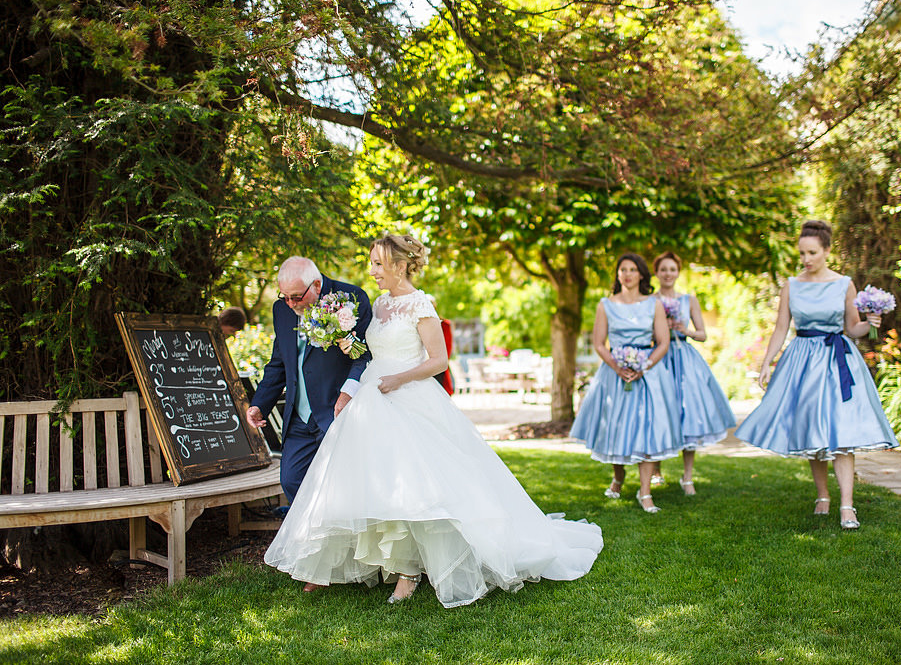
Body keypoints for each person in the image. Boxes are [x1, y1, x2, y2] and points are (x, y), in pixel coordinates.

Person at [264, 235, 603, 607]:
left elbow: (438, 360)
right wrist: (351, 348)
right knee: (378, 481)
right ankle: (388, 561)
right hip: (373, 397)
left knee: (416, 483)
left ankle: (409, 571)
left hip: (407, 395)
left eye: (378, 264)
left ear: (398, 265)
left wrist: (398, 378)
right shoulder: (378, 304)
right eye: (372, 263)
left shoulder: (420, 304)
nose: (372, 271)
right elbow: (371, 351)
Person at [734, 220, 898, 529]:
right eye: (802, 254)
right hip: (803, 362)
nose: (806, 259)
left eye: (812, 253)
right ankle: (823, 495)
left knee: (843, 434)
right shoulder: (792, 285)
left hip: (838, 362)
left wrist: (872, 323)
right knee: (813, 429)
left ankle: (847, 506)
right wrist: (767, 362)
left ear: (826, 250)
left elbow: (853, 328)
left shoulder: (843, 284)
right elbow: (781, 327)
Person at [246, 257, 372, 507]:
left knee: (340, 486)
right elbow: (279, 362)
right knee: (292, 479)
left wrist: (349, 392)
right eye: (285, 297)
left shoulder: (351, 298)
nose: (290, 304)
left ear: (316, 284)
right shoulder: (281, 310)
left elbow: (365, 354)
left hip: (336, 409)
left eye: (296, 297)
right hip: (298, 417)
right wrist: (260, 403)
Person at [569, 253, 681, 513]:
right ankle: (618, 478)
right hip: (614, 375)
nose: (628, 274)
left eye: (633, 269)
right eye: (623, 270)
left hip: (647, 374)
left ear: (641, 274)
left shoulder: (653, 304)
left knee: (646, 429)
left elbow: (663, 342)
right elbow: (599, 343)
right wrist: (618, 367)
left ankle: (645, 492)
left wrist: (644, 365)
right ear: (618, 275)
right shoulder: (605, 305)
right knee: (615, 427)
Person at [649, 251, 736, 495]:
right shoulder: (649, 300)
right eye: (663, 269)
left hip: (685, 360)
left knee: (688, 414)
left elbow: (703, 334)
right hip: (659, 358)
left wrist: (683, 329)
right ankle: (656, 470)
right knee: (659, 412)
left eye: (672, 269)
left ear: (678, 272)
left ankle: (687, 476)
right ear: (656, 273)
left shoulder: (689, 300)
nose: (668, 274)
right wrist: (660, 329)